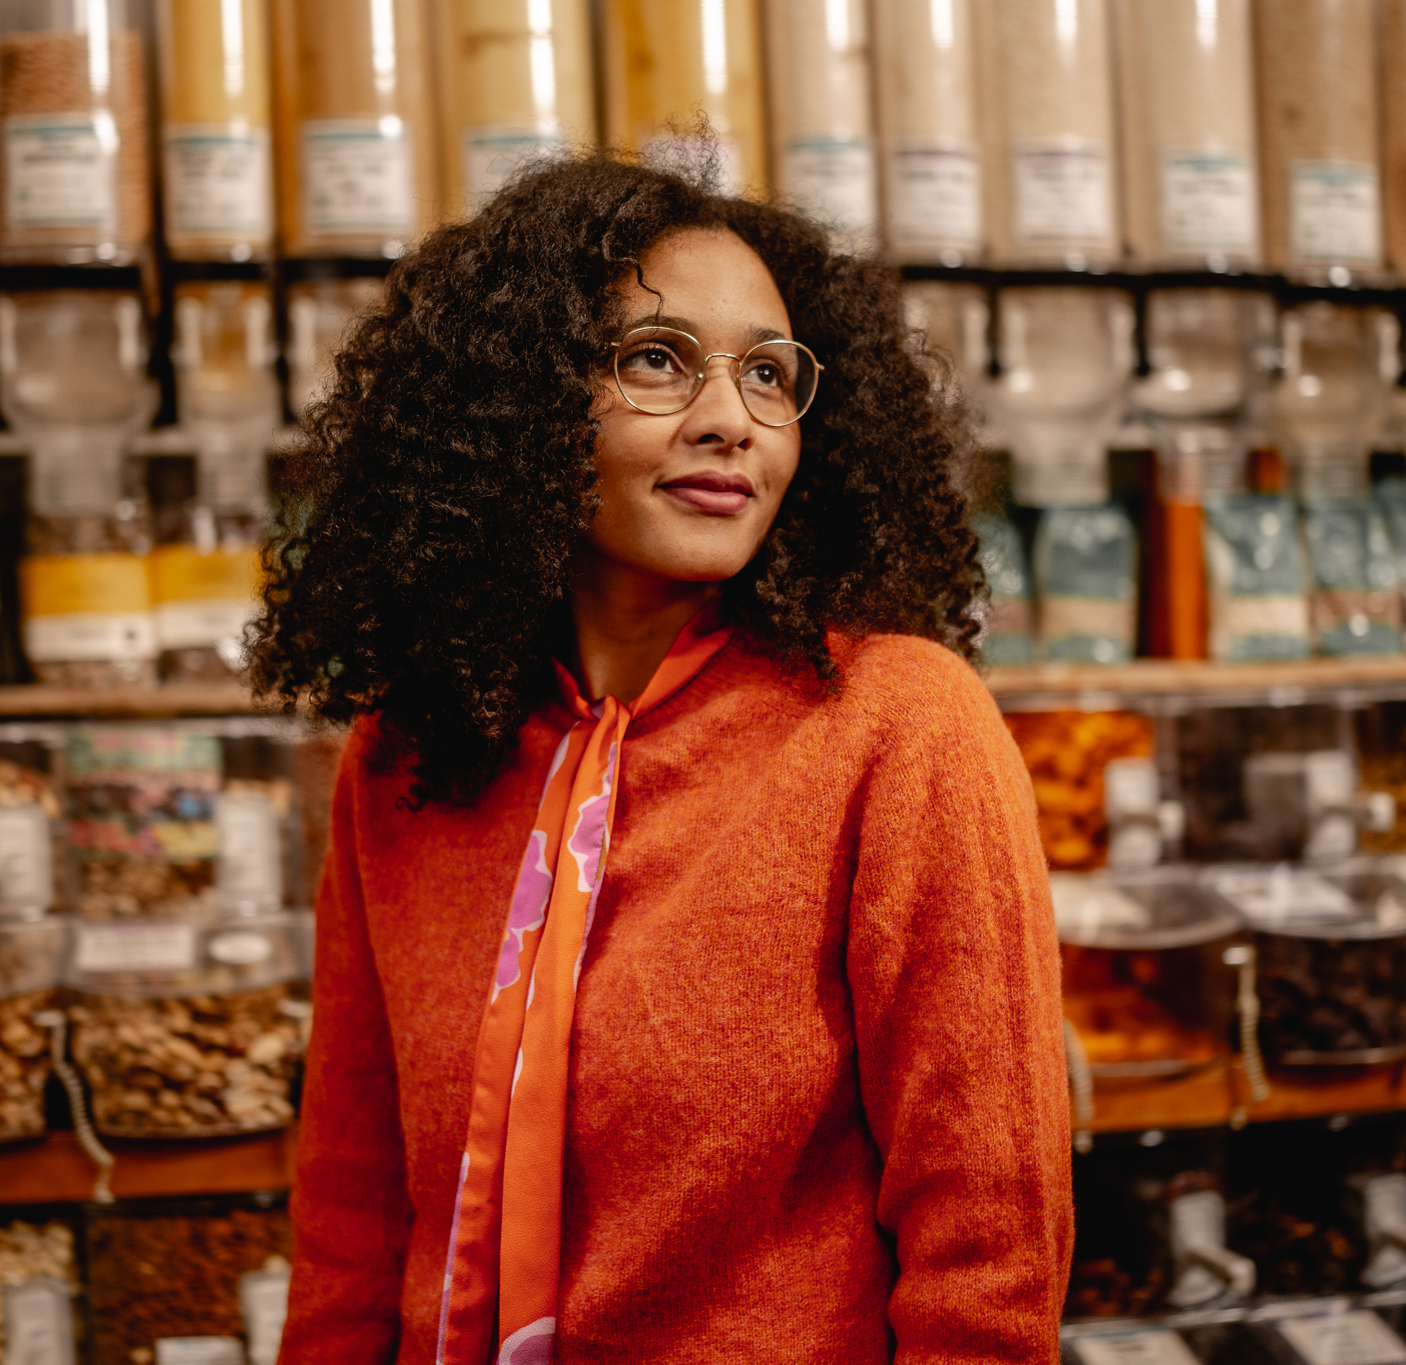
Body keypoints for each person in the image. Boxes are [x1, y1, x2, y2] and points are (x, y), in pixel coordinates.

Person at [253, 152, 1072, 1365]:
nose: (728, 419)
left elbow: (987, 1250)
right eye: (654, 359)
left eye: (764, 374)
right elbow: (349, 1218)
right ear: (515, 403)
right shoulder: (403, 760)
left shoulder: (899, 726)